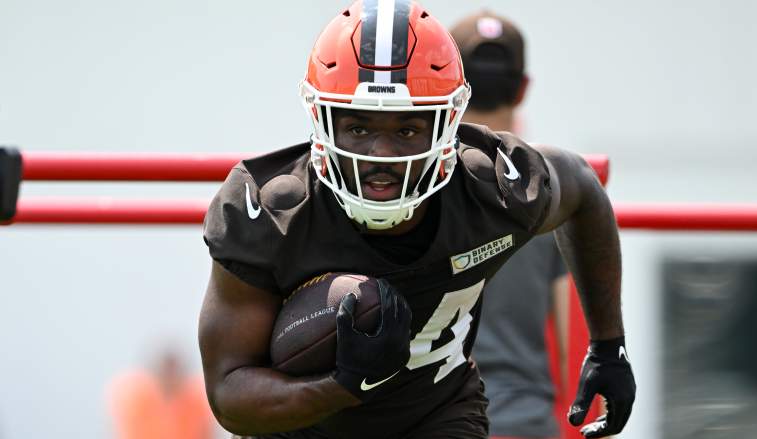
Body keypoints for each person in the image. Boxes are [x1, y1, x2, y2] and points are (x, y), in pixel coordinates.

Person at [198, 1, 635, 438]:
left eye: (406, 130)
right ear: (322, 121)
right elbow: (229, 395)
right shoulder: (269, 212)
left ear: (447, 126)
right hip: (301, 427)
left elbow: (582, 187)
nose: (381, 155)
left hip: (437, 417)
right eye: (358, 128)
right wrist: (342, 386)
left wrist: (608, 345)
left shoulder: (494, 188)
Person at [450, 12, 571, 439]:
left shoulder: (406, 185)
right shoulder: (555, 190)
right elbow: (572, 346)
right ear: (522, 89)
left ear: (451, 87)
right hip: (527, 423)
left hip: (436, 422)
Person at [107, 346, 216, 439]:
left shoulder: (197, 400)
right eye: (166, 373)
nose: (169, 379)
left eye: (173, 374)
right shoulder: (135, 399)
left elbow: (205, 433)